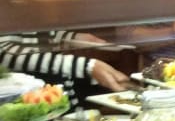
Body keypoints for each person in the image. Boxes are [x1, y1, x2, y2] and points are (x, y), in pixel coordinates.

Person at [1, 31, 131, 108]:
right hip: (17, 97)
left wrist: (70, 37)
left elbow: (34, 34)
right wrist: (87, 66)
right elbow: (5, 53)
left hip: (52, 90)